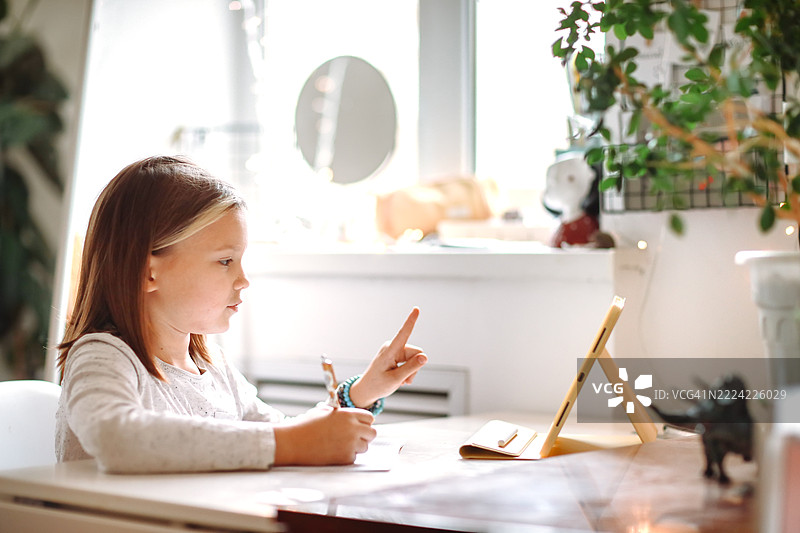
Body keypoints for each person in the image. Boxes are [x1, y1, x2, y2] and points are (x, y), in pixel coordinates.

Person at [55, 155, 428, 473]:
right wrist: (286, 444)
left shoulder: (212, 367)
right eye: (225, 261)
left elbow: (284, 434)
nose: (243, 279)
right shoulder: (102, 356)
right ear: (148, 271)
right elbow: (115, 438)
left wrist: (361, 393)